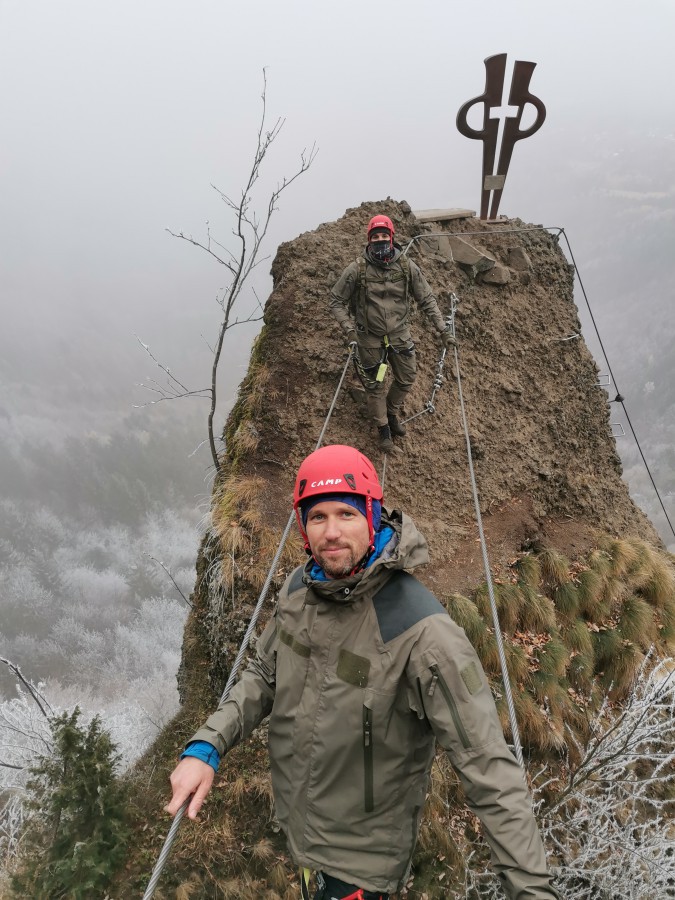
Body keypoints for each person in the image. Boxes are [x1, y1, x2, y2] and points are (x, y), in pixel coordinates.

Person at [166, 445, 560, 900]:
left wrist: (532, 891)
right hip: (300, 832)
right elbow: (262, 674)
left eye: (346, 514)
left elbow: (488, 767)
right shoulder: (299, 590)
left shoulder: (422, 633)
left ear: (372, 517)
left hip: (360, 867)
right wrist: (207, 746)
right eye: (317, 517)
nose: (331, 532)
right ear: (303, 526)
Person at [329, 215, 455, 452]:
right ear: (369, 240)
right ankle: (384, 431)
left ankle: (391, 412)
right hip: (369, 337)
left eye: (384, 236)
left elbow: (427, 299)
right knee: (375, 385)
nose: (380, 241)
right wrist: (349, 330)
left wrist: (443, 330)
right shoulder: (357, 268)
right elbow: (336, 300)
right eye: (375, 237)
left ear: (391, 237)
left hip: (399, 333)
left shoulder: (406, 266)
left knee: (407, 377)